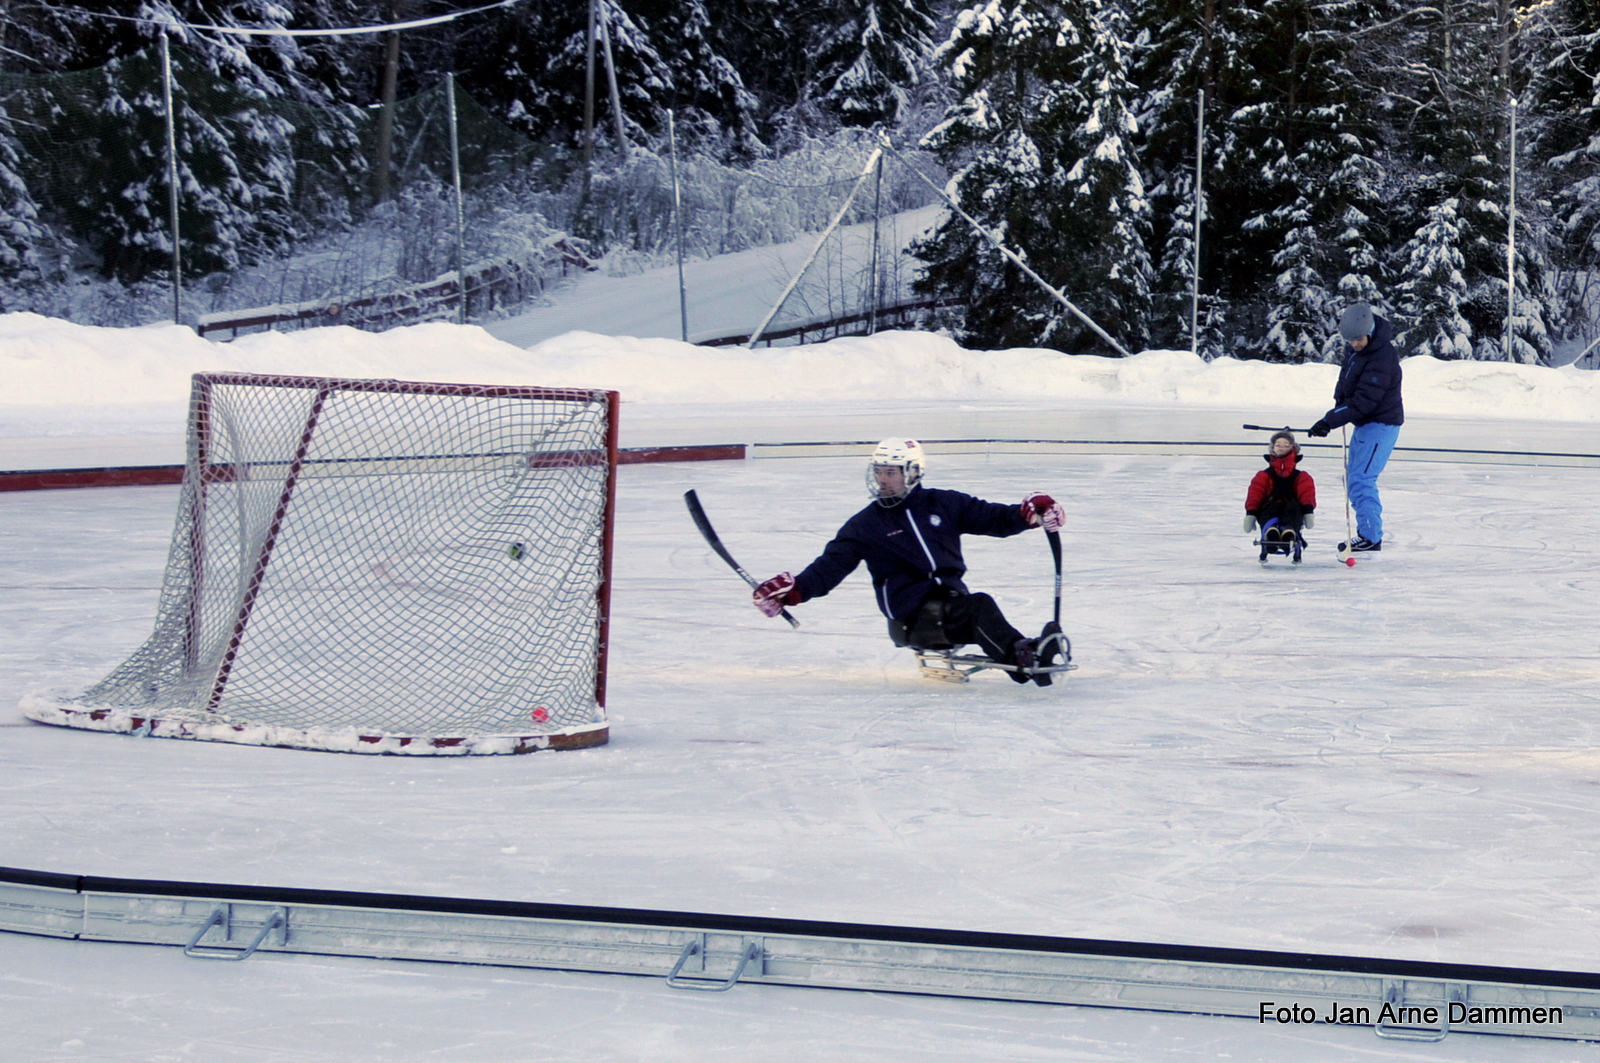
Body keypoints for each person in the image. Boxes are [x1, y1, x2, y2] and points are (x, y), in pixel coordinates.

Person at [751, 437, 1067, 686]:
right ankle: (1022, 657)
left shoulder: (944, 503)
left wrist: (1029, 514)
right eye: (878, 471)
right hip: (911, 618)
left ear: (912, 473)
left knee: (973, 610)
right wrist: (793, 592)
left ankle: (1022, 650)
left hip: (949, 605)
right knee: (979, 606)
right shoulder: (864, 525)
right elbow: (828, 569)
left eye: (891, 472)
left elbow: (995, 518)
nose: (882, 480)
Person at [1308, 303, 1403, 552]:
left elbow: (1364, 401)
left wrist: (1330, 420)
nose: (1355, 345)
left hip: (1381, 424)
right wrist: (1339, 399)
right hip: (1365, 424)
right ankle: (1367, 533)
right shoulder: (1358, 350)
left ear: (1370, 331)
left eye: (1359, 340)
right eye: (1350, 341)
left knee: (1361, 479)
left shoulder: (1382, 356)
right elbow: (1347, 376)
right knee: (1352, 479)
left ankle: (1371, 537)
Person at [1244, 430, 1317, 547]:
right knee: (1271, 508)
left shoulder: (1301, 476)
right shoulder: (1263, 475)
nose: (1281, 448)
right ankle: (1270, 530)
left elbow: (1306, 493)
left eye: (1286, 445)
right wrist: (1251, 513)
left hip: (1293, 508)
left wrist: (1308, 511)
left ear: (1293, 448)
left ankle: (1289, 531)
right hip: (1269, 507)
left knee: (1293, 508)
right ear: (1272, 447)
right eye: (1278, 445)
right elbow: (1256, 494)